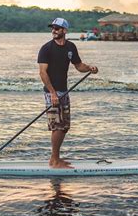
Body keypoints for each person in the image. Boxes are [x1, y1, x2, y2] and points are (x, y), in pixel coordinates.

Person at [37, 18, 98, 168]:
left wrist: (90, 68)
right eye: (53, 28)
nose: (54, 31)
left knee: (64, 127)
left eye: (57, 28)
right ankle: (54, 160)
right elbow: (42, 72)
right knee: (57, 126)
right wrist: (52, 93)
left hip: (64, 91)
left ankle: (56, 158)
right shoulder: (46, 48)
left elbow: (79, 66)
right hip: (51, 92)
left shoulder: (71, 47)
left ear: (64, 31)